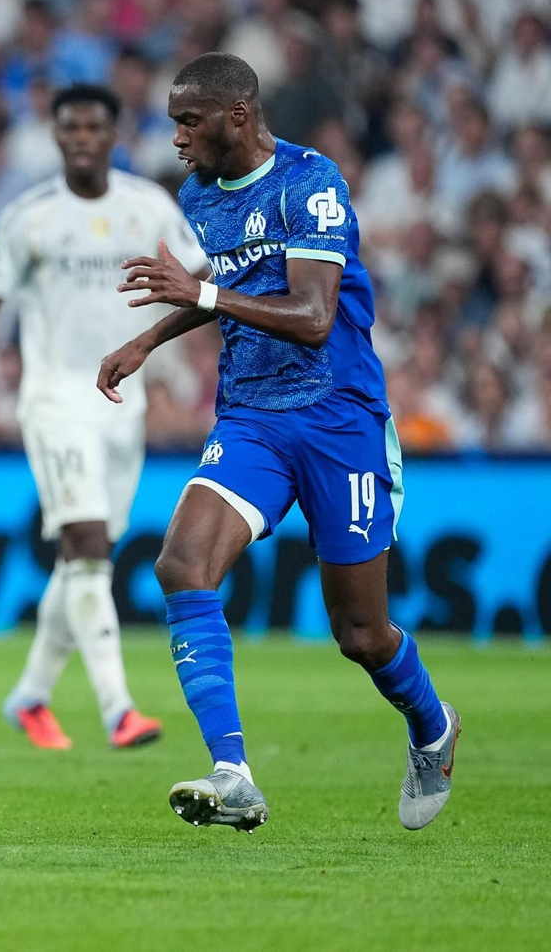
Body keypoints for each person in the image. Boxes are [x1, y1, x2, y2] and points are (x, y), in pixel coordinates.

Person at [98, 53, 458, 833]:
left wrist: (195, 292)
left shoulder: (311, 182)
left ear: (238, 115)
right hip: (254, 417)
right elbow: (234, 283)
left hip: (340, 418)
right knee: (181, 563)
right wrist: (151, 339)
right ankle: (233, 772)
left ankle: (433, 727)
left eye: (189, 122)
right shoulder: (200, 195)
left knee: (361, 634)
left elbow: (311, 313)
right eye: (173, 123)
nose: (178, 139)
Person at [0, 84, 205, 750]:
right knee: (84, 544)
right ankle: (119, 709)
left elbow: (201, 289)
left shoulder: (148, 207)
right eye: (70, 127)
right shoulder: (30, 218)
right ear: (55, 137)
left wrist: (158, 355)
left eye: (93, 127)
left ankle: (30, 696)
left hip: (124, 405)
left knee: (90, 559)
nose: (81, 137)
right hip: (54, 400)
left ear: (114, 135)